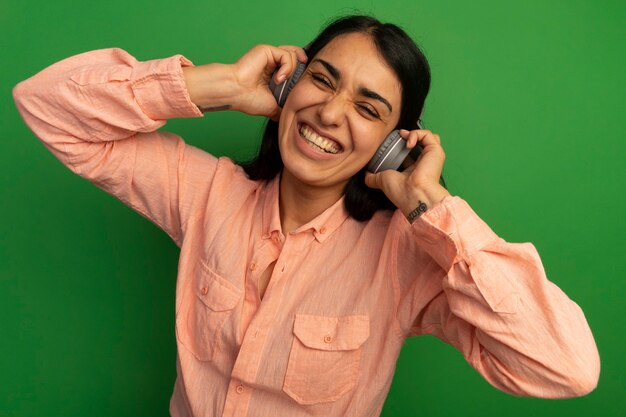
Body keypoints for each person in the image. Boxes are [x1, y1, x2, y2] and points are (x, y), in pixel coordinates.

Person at [13, 14, 599, 417]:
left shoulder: (406, 258)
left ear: (393, 144)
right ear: (289, 84)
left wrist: (430, 205)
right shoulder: (206, 192)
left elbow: (566, 366)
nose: (329, 112)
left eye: (367, 108)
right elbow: (46, 106)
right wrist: (217, 87)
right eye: (321, 79)